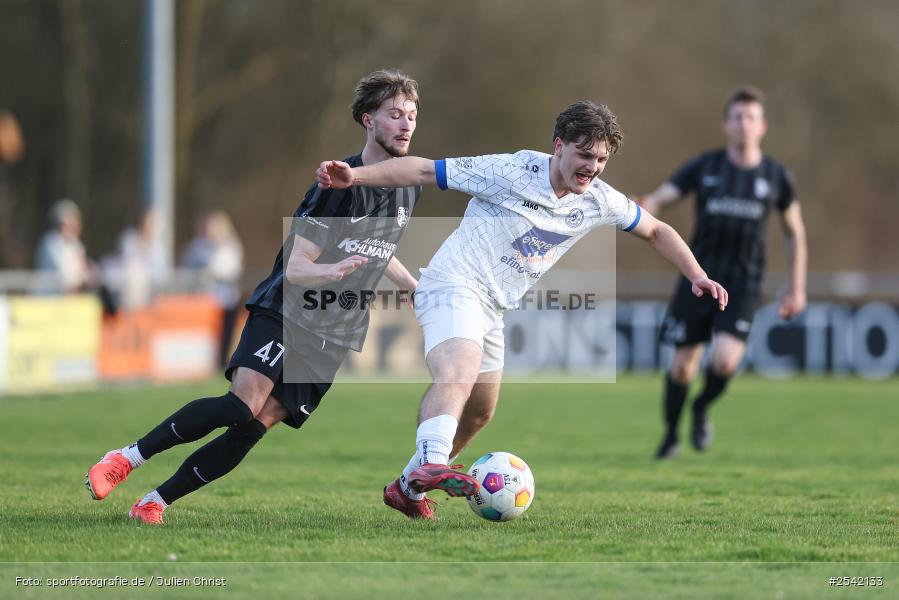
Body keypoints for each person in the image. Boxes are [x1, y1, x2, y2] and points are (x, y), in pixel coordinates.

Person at [317, 100, 729, 519]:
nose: (593, 167)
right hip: (452, 284)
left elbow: (656, 229)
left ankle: (406, 488)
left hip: (493, 306)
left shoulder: (599, 199)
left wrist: (697, 275)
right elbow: (425, 169)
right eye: (585, 155)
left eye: (602, 159)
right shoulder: (510, 171)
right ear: (559, 146)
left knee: (479, 412)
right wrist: (355, 177)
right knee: (457, 371)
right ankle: (432, 462)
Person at [85, 68, 423, 524]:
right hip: (289, 310)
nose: (406, 125)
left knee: (254, 426)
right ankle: (125, 458)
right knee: (240, 405)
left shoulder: (408, 189)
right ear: (368, 120)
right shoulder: (336, 186)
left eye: (412, 116)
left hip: (336, 330)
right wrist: (333, 270)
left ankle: (154, 503)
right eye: (395, 115)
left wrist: (410, 286)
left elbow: (380, 247)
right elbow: (300, 267)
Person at [633, 86, 807, 460]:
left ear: (763, 126)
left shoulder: (777, 176)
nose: (744, 124)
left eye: (751, 118)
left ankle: (701, 408)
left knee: (725, 361)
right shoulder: (705, 166)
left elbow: (794, 232)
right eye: (738, 117)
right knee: (681, 368)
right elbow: (662, 197)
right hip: (696, 277)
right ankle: (670, 437)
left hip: (743, 283)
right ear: (726, 124)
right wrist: (646, 203)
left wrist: (796, 288)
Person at [181, 210, 245, 367]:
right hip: (207, 300)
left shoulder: (230, 247)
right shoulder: (200, 247)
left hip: (227, 299)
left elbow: (229, 271)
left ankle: (222, 362)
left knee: (225, 335)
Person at [33, 199, 98, 294]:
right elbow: (64, 273)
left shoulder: (76, 244)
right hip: (49, 298)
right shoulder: (50, 242)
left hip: (69, 299)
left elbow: (85, 272)